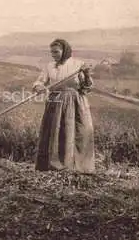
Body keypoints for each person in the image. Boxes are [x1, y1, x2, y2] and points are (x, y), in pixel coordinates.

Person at [32, 39, 95, 173]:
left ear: (65, 50)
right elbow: (40, 81)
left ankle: (79, 166)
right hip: (55, 102)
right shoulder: (49, 66)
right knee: (55, 132)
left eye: (56, 52)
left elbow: (87, 87)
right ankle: (55, 165)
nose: (53, 55)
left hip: (75, 102)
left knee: (79, 132)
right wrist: (39, 87)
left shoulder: (78, 65)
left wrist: (87, 74)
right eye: (51, 52)